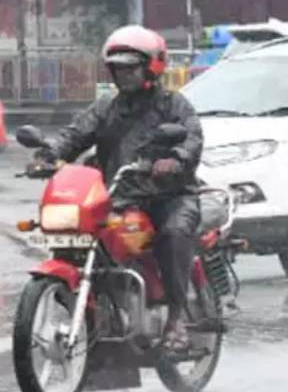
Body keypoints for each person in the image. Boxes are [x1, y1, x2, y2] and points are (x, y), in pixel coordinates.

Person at [33, 26, 204, 351]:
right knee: (84, 237)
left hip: (170, 196)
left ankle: (177, 317)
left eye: (130, 67)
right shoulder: (106, 107)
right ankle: (99, 316)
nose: (123, 75)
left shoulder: (173, 105)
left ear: (152, 66)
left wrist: (175, 160)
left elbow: (191, 137)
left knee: (173, 234)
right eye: (117, 68)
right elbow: (75, 134)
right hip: (121, 196)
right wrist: (49, 154)